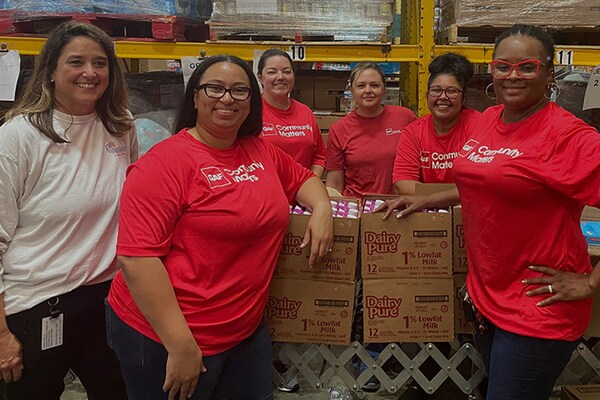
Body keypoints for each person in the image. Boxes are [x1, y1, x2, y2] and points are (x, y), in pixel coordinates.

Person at [381, 24, 600, 400]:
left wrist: (590, 283)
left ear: (549, 74)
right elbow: (487, 182)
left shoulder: (568, 136)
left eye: (527, 67)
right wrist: (429, 199)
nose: (513, 76)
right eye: (503, 67)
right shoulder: (489, 119)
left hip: (536, 308)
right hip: (487, 298)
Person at [106, 54, 333, 400]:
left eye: (239, 90)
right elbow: (138, 259)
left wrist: (322, 208)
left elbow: (303, 179)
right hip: (170, 334)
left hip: (244, 330)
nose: (227, 98)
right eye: (215, 88)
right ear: (195, 97)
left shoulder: (259, 151)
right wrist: (180, 345)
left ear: (252, 102)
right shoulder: (163, 164)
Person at [0, 21, 136, 399]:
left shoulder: (121, 127)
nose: (89, 72)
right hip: (36, 304)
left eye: (100, 63)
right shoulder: (19, 136)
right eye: (76, 62)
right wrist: (1, 334)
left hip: (106, 300)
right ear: (51, 71)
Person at [326, 61, 417, 198]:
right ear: (352, 90)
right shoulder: (339, 130)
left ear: (384, 88)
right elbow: (334, 184)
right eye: (361, 86)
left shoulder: (405, 117)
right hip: (359, 206)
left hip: (398, 205)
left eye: (374, 85)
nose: (368, 91)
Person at [393, 52, 480, 194]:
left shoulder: (480, 127)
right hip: (427, 206)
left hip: (468, 206)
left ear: (463, 98)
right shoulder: (413, 132)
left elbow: (482, 184)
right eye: (436, 90)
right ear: (427, 95)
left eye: (451, 91)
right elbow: (403, 183)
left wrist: (432, 196)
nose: (443, 97)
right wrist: (447, 197)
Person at [257, 48, 326, 178]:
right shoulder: (250, 112)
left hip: (304, 188)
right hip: (265, 187)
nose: (280, 77)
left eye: (286, 71)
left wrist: (309, 184)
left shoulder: (305, 112)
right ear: (260, 77)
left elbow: (319, 157)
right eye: (272, 72)